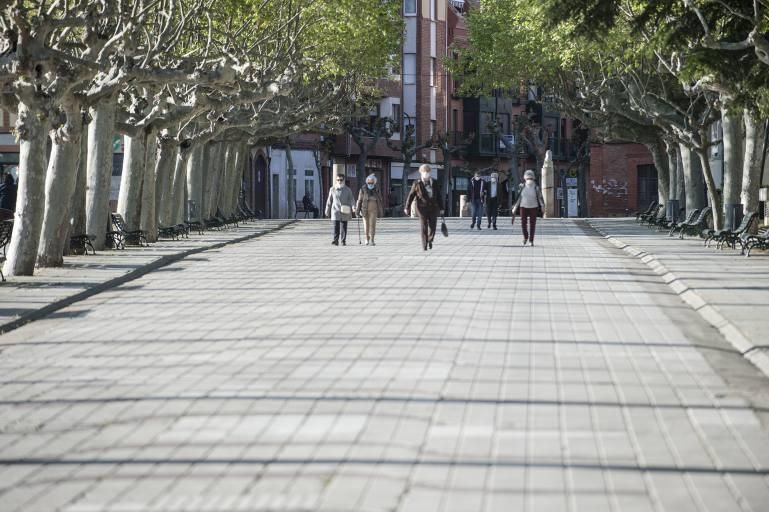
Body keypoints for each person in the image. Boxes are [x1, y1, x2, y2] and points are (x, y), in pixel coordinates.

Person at [405, 164, 444, 251]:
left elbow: (439, 196)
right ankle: (424, 245)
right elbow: (411, 195)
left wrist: (441, 208)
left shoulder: (434, 182)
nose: (426, 173)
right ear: (421, 172)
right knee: (423, 226)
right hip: (421, 208)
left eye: (427, 171)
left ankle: (430, 239)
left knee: (433, 226)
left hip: (433, 207)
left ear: (430, 172)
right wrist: (406, 207)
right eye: (424, 171)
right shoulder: (417, 183)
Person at [512, 169, 545, 246]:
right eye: (528, 177)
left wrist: (542, 206)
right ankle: (525, 237)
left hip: (534, 207)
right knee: (523, 223)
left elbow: (540, 197)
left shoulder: (536, 187)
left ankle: (531, 240)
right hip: (523, 206)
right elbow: (519, 198)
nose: (529, 179)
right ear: (525, 178)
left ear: (533, 178)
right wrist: (515, 207)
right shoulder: (522, 186)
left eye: (530, 177)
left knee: (532, 224)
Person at [325, 174, 355, 245]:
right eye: (338, 180)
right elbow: (329, 200)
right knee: (336, 226)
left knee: (344, 226)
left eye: (341, 180)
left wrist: (354, 207)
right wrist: (327, 210)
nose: (339, 181)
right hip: (335, 210)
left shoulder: (348, 189)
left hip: (345, 209)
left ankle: (343, 241)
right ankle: (335, 240)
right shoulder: (332, 189)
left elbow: (351, 199)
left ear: (344, 180)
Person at [356, 174, 384, 246]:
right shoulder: (363, 189)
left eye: (372, 183)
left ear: (374, 182)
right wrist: (357, 210)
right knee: (366, 225)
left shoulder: (377, 189)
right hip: (364, 208)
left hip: (374, 209)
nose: (370, 184)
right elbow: (359, 200)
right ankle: (366, 238)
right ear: (366, 182)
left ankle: (372, 239)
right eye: (369, 182)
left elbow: (380, 199)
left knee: (372, 225)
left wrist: (381, 211)